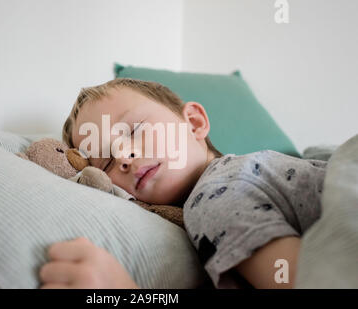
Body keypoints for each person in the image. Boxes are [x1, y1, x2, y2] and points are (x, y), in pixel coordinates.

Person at [39, 78, 327, 289]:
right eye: (106, 163)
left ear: (194, 122)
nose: (123, 156)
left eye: (135, 130)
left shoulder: (215, 195)